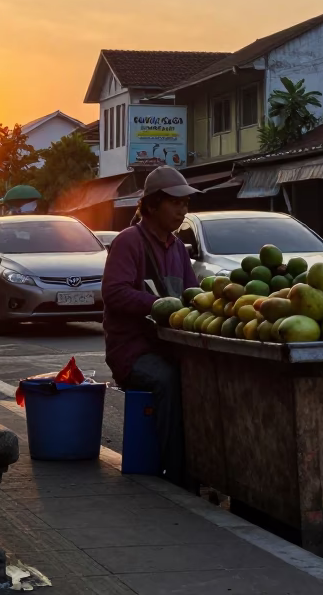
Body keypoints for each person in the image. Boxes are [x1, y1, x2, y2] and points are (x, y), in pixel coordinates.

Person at [101, 166, 199, 487]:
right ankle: (176, 473)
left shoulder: (178, 250)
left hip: (168, 346)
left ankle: (203, 464)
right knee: (170, 380)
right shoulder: (129, 242)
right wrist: (156, 304)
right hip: (132, 351)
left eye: (185, 204)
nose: (182, 210)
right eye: (175, 203)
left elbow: (192, 295)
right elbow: (114, 293)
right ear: (153, 205)